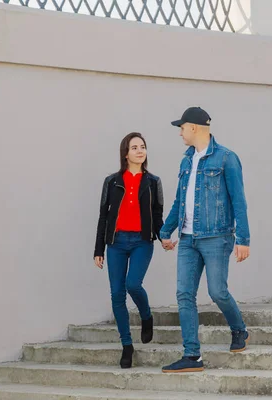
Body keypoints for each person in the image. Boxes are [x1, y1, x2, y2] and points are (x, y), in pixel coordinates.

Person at [160, 107, 251, 373]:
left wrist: (243, 239)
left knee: (217, 291)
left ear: (195, 127)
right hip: (188, 238)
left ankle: (239, 330)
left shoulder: (226, 159)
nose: (180, 133)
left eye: (182, 128)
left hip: (216, 237)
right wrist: (166, 231)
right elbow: (180, 200)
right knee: (184, 294)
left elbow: (239, 200)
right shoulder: (186, 161)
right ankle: (192, 355)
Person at [93, 132, 164, 369]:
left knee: (133, 284)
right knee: (117, 294)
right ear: (126, 153)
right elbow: (104, 216)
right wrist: (98, 249)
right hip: (116, 243)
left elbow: (157, 216)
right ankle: (127, 345)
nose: (139, 150)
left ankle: (146, 317)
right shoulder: (112, 181)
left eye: (142, 146)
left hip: (142, 241)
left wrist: (163, 237)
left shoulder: (153, 181)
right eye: (134, 147)